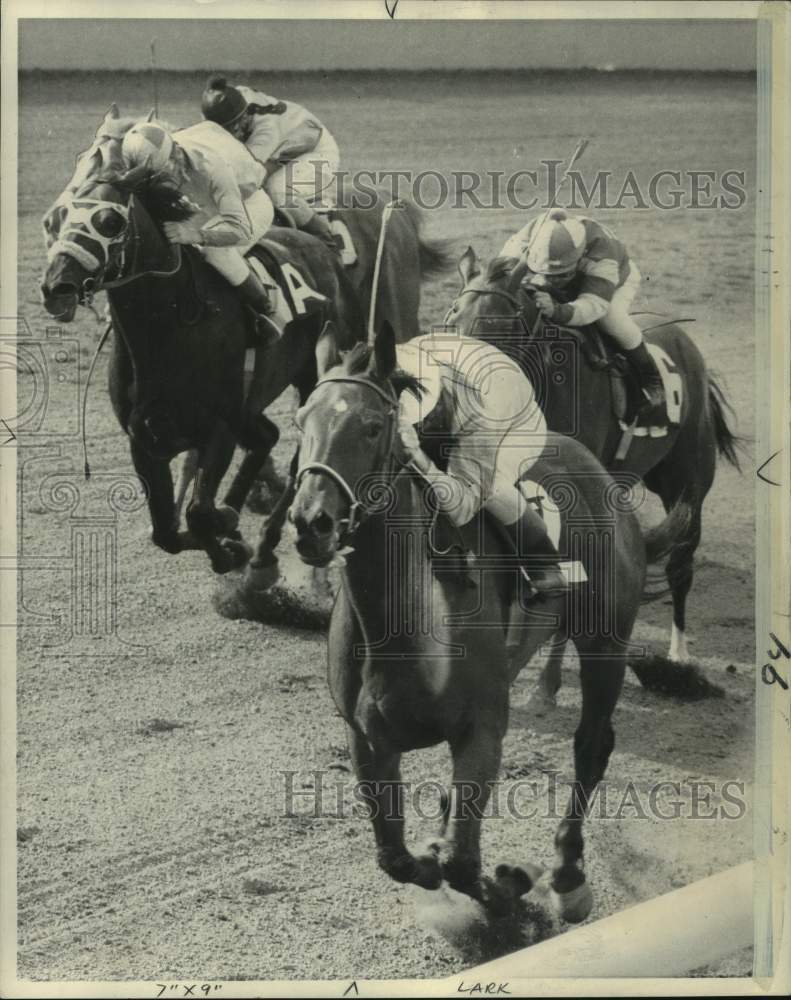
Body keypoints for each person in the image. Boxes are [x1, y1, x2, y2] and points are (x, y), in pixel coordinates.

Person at [396, 333, 566, 599]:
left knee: (493, 487)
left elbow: (462, 508)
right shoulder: (407, 361)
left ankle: (542, 559)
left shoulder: (477, 416)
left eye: (421, 420)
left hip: (514, 425)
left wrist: (418, 456)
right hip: (475, 377)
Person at [120, 119, 280, 340]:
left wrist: (197, 235)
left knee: (215, 252)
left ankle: (263, 311)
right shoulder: (161, 157)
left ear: (176, 155)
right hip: (203, 205)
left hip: (247, 205)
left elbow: (239, 230)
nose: (160, 182)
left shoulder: (213, 166)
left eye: (161, 175)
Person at [500, 210, 666, 420]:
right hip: (554, 268)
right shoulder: (522, 242)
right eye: (549, 276)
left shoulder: (603, 254)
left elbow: (594, 305)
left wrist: (558, 310)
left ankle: (651, 377)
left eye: (562, 276)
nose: (553, 282)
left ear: (580, 257)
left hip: (613, 282)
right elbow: (501, 278)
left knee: (610, 319)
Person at [200, 76, 340, 252]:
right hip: (287, 143)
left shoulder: (265, 133)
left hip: (314, 150)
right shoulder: (236, 99)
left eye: (229, 129)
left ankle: (327, 240)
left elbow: (245, 177)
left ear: (244, 118)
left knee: (278, 191)